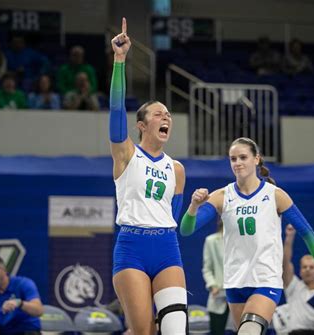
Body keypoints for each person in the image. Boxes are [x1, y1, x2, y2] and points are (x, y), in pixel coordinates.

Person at [180, 137, 314, 335]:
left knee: (249, 332)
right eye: (233, 159)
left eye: (243, 157)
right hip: (235, 282)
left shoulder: (275, 195)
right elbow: (186, 229)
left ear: (257, 159)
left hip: (265, 280)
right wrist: (193, 206)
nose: (238, 163)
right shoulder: (222, 196)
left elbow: (307, 232)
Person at [109, 18, 187, 335]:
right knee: (143, 331)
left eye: (167, 114)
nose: (165, 116)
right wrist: (119, 61)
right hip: (132, 247)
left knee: (175, 330)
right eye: (158, 113)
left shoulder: (177, 169)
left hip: (168, 247)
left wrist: (194, 209)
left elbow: (175, 216)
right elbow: (115, 112)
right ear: (141, 124)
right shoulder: (127, 154)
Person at [0, 255, 44, 335]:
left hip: (29, 331)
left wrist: (20, 303)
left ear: (4, 270)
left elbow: (39, 310)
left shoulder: (23, 284)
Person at [202, 219, 232, 335]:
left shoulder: (242, 241)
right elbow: (207, 268)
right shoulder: (211, 241)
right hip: (219, 295)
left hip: (240, 294)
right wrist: (213, 285)